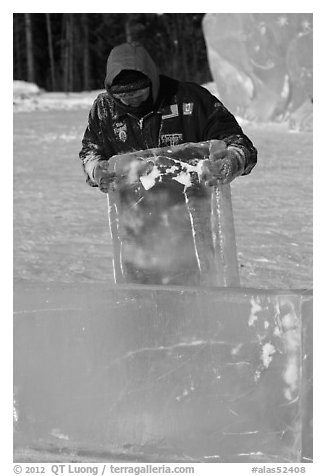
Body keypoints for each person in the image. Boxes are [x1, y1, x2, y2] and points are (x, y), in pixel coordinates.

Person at [79, 42, 257, 285]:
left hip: (191, 225)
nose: (131, 100)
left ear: (152, 80)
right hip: (137, 231)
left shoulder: (190, 99)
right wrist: (97, 169)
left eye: (138, 92)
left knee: (196, 299)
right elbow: (91, 151)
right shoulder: (104, 109)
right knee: (142, 304)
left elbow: (239, 143)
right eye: (122, 95)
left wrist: (233, 160)